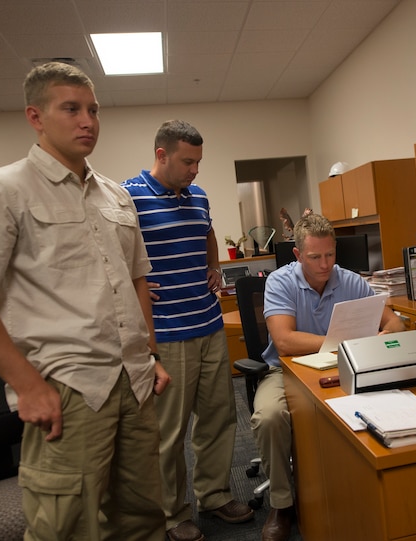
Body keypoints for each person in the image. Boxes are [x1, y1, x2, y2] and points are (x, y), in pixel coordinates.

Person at [0, 61, 170, 540]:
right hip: (69, 387)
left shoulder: (116, 196)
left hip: (135, 382)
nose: (88, 121)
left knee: (144, 517)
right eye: (71, 108)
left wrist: (149, 353)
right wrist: (27, 386)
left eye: (93, 109)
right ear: (36, 117)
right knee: (66, 529)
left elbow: (137, 280)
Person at [121, 120, 254, 541]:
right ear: (161, 155)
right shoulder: (129, 196)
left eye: (199, 161)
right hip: (165, 332)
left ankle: (214, 495)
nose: (195, 170)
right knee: (168, 433)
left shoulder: (198, 195)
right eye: (187, 161)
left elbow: (207, 231)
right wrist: (131, 284)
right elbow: (111, 252)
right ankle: (172, 513)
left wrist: (214, 265)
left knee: (219, 418)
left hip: (209, 324)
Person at [253, 213, 406, 541]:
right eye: (315, 257)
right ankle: (282, 504)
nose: (325, 265)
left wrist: (385, 335)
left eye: (330, 255)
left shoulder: (349, 280)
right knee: (269, 417)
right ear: (297, 255)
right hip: (286, 372)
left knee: (387, 405)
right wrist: (342, 345)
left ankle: (360, 491)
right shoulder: (280, 282)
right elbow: (284, 340)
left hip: (345, 369)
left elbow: (394, 323)